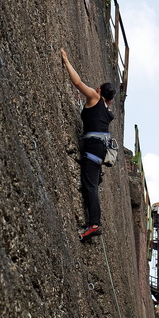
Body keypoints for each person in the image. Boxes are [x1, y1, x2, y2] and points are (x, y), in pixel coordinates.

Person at [61, 49, 117, 241]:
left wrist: (67, 61)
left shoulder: (94, 97)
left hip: (94, 148)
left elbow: (77, 83)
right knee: (90, 183)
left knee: (90, 186)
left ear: (100, 91)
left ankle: (94, 224)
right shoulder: (106, 110)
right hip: (100, 149)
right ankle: (94, 222)